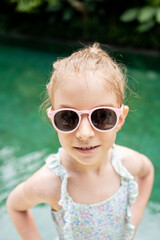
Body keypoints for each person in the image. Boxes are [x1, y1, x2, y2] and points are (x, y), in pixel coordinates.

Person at [6, 43, 154, 240]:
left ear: (120, 118)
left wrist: (133, 221)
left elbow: (147, 172)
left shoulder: (127, 165)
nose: (84, 134)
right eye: (68, 117)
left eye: (101, 116)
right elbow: (15, 206)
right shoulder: (51, 183)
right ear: (52, 119)